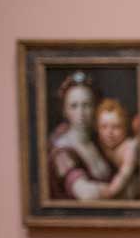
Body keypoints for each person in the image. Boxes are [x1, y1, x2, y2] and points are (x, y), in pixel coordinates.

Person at [47, 71, 115, 201]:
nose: (81, 113)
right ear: (65, 111)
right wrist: (122, 189)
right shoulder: (62, 151)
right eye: (74, 106)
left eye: (87, 105)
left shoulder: (99, 140)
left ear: (95, 107)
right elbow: (86, 194)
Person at [94, 98, 139, 200]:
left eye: (116, 127)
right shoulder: (99, 144)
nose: (109, 132)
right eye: (104, 127)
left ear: (125, 127)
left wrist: (110, 191)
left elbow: (124, 174)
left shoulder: (130, 147)